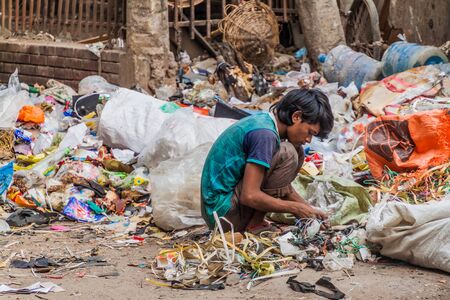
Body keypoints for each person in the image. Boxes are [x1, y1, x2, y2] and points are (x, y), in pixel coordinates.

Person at [201, 88, 334, 233]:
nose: (308, 140)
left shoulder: (266, 123)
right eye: (310, 132)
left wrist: (310, 211)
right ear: (296, 116)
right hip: (223, 217)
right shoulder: (265, 135)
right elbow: (250, 195)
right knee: (289, 153)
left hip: (223, 209)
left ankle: (254, 221)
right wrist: (295, 208)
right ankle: (255, 224)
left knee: (297, 151)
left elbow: (284, 188)